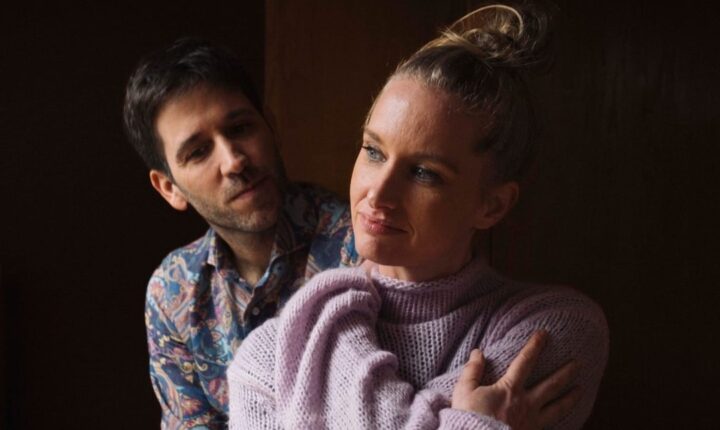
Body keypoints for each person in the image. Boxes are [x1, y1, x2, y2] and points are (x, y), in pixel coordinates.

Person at [227, 4, 609, 429]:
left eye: (424, 173)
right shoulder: (271, 358)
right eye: (373, 151)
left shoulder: (553, 329)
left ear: (493, 205)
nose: (378, 193)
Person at [123, 39, 359, 428]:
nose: (234, 161)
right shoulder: (172, 292)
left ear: (271, 126)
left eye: (240, 128)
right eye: (199, 152)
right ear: (169, 188)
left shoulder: (360, 245)